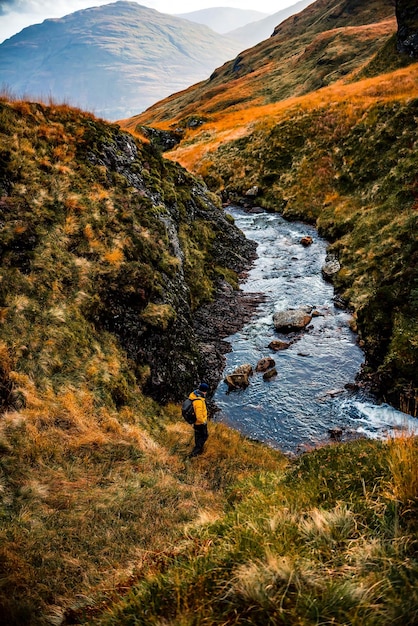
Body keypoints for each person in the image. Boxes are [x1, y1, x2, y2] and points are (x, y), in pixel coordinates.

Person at [188, 382, 209, 457]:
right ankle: (195, 452)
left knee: (198, 436)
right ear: (204, 391)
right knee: (204, 436)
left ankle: (198, 447)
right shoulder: (199, 401)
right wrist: (203, 422)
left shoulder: (194, 395)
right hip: (199, 423)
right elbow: (199, 415)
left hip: (195, 422)